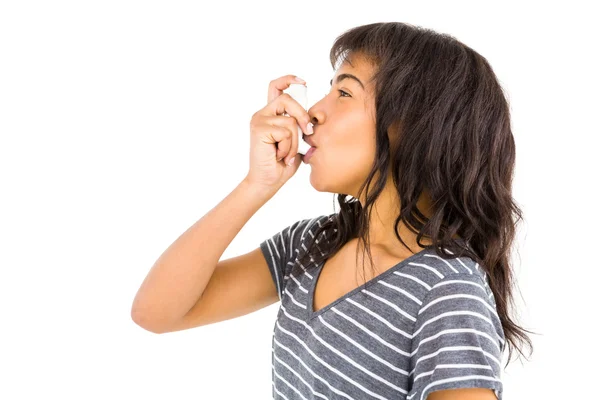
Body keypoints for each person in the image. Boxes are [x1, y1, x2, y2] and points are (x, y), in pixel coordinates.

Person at [132, 22, 533, 400]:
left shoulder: (447, 290)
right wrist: (257, 185)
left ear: (413, 125)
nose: (312, 115)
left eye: (344, 93)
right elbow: (156, 312)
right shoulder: (312, 244)